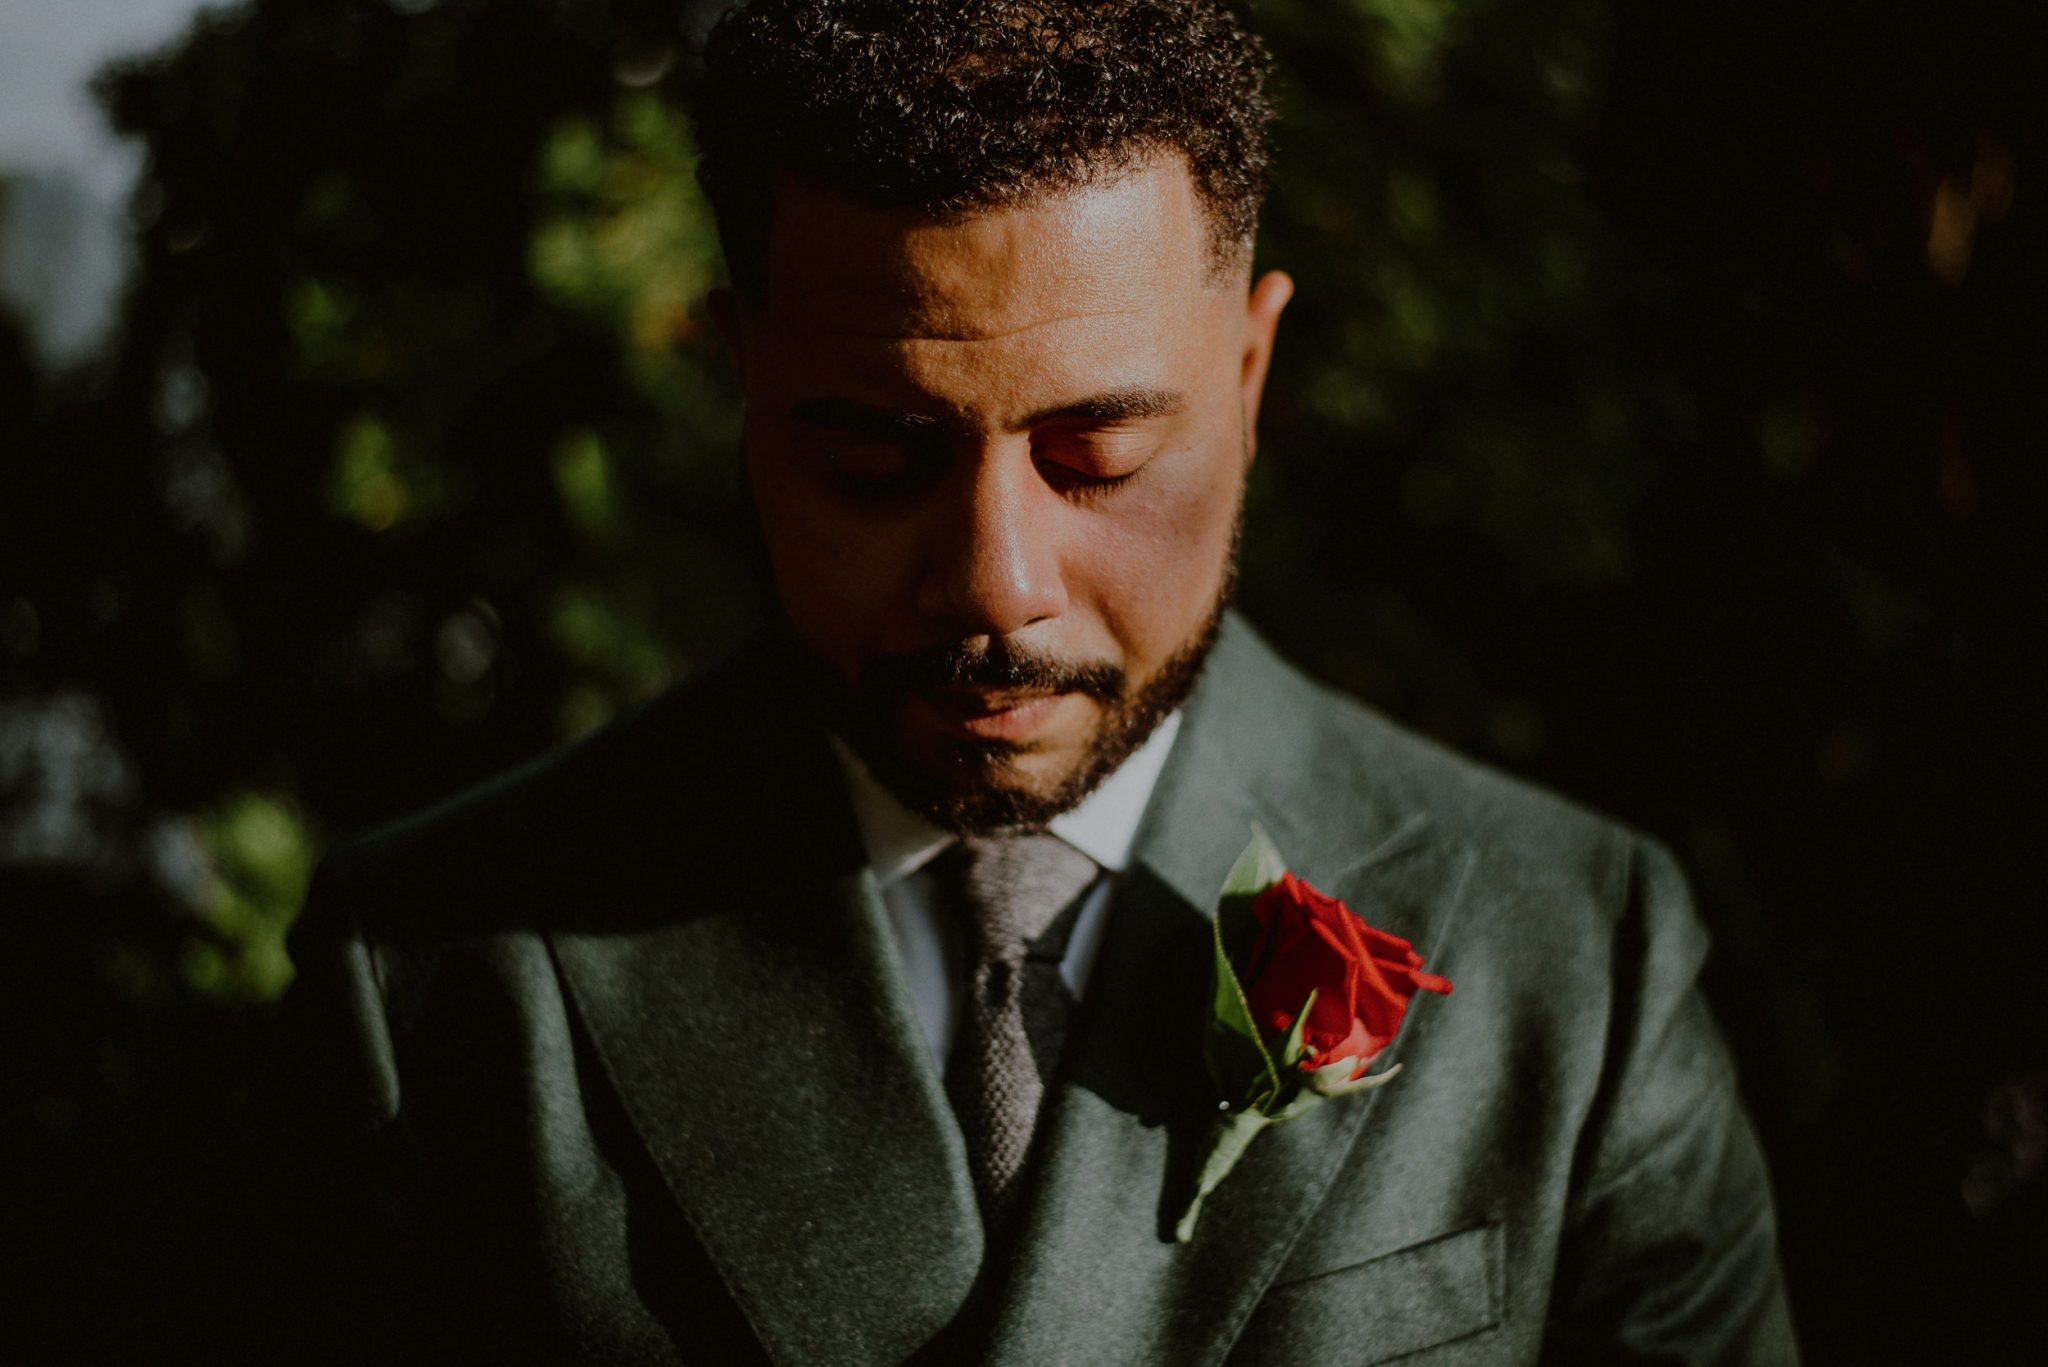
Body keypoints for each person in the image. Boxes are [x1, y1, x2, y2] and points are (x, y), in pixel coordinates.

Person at [265, 2, 1799, 1362]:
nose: (998, 580)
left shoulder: (1577, 959)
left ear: (1251, 382)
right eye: (877, 456)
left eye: (1101, 458)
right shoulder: (436, 982)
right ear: (739, 381)